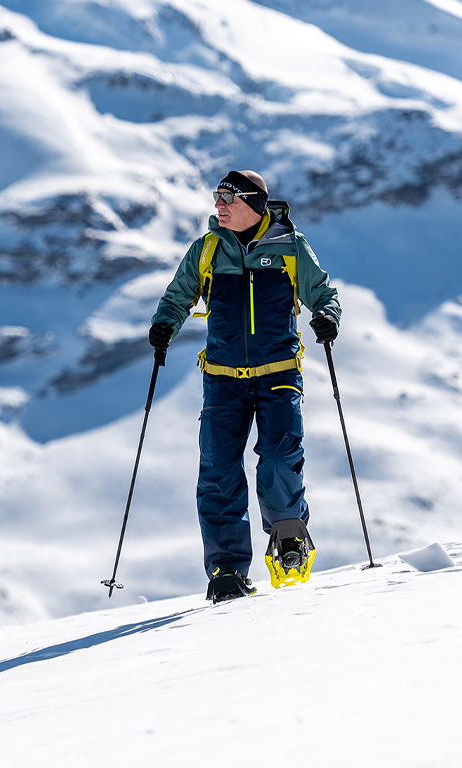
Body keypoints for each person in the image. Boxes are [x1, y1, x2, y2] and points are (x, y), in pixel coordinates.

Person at [149, 170, 341, 603]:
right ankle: (226, 570)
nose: (218, 205)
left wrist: (327, 317)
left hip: (278, 375)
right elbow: (179, 295)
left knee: (277, 459)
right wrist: (164, 325)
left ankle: (289, 540)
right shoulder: (207, 249)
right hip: (222, 381)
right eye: (216, 197)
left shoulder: (290, 247)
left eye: (227, 198)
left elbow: (323, 292)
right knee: (218, 472)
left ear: (254, 202)